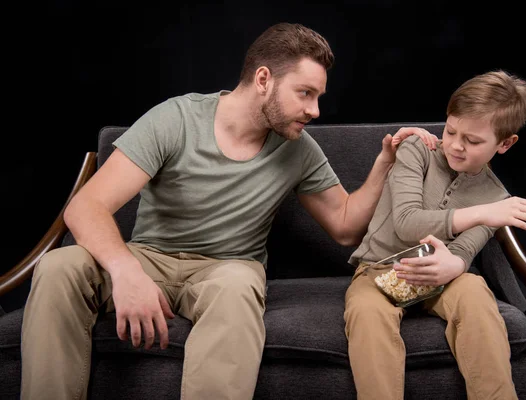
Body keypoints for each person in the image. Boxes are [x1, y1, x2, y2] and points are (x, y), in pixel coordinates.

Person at [20, 22, 438, 400]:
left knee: (238, 285)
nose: (315, 110)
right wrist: (126, 272)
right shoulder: (176, 119)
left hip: (226, 270)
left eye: (318, 97)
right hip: (148, 258)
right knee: (59, 267)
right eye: (305, 93)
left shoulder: (297, 148)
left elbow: (346, 227)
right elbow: (86, 207)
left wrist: (384, 162)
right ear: (263, 79)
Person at [344, 70, 526, 399]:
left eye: (474, 141)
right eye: (451, 131)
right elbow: (406, 223)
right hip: (380, 269)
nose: (455, 145)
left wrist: (455, 265)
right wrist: (483, 213)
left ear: (505, 143)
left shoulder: (495, 196)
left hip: (443, 277)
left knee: (475, 292)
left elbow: (464, 251)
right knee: (366, 312)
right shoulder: (417, 151)